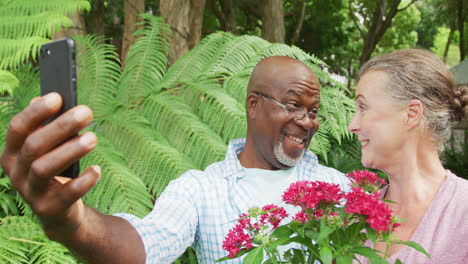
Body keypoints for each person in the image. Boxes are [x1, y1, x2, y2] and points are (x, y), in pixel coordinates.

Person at [0, 56, 349, 263]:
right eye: (292, 106)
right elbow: (147, 243)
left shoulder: (338, 187)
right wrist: (74, 224)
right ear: (253, 105)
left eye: (313, 111)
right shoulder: (201, 191)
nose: (306, 122)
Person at [348, 49, 468, 263]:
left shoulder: (462, 212)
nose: (352, 125)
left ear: (411, 114)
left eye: (363, 107)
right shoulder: (354, 217)